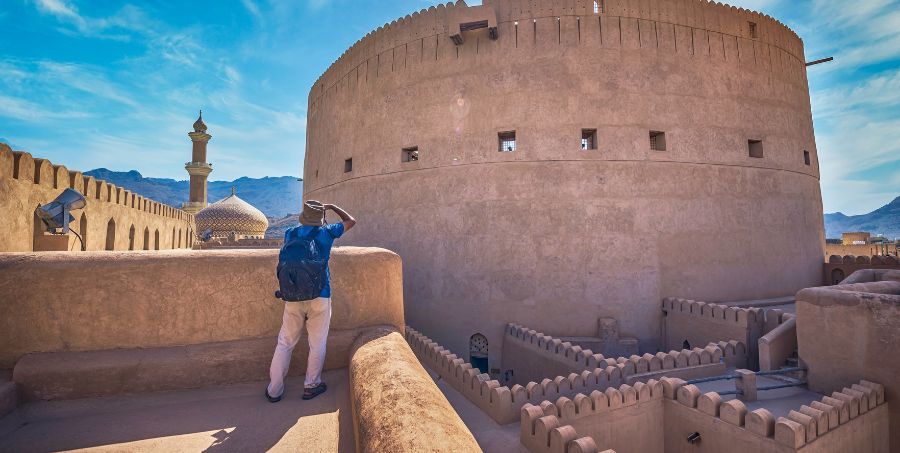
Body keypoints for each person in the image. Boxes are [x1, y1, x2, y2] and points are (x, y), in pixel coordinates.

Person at [266, 200, 356, 402]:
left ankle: (274, 390)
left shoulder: (291, 233)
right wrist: (332, 207)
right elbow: (351, 221)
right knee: (317, 343)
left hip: (292, 295)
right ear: (321, 218)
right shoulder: (326, 233)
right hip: (320, 296)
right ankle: (311, 385)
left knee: (285, 343)